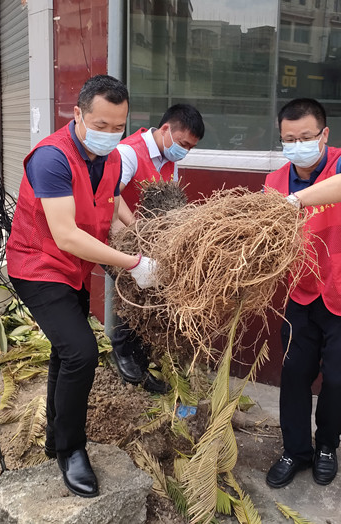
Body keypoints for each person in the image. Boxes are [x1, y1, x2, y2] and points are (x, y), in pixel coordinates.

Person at [6, 75, 157, 498]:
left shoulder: (108, 158)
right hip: (37, 266)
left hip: (72, 269)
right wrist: (134, 262)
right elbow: (66, 234)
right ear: (78, 115)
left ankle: (56, 435)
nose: (111, 134)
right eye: (102, 124)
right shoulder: (51, 158)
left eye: (119, 126)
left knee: (65, 352)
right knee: (82, 352)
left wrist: (142, 231)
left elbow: (113, 198)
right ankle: (72, 450)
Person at [264, 98, 341, 488]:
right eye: (289, 138)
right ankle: (295, 450)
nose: (298, 144)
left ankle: (327, 444)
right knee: (295, 375)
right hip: (302, 293)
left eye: (306, 137)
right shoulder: (275, 181)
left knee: (337, 380)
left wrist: (297, 200)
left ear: (324, 135)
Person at [108, 104, 204, 393]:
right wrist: (134, 230)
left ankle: (144, 357)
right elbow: (110, 194)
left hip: (148, 240)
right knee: (134, 288)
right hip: (118, 236)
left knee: (157, 289)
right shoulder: (128, 152)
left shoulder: (169, 161)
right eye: (183, 143)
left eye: (190, 147)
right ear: (165, 130)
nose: (184, 151)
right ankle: (124, 354)